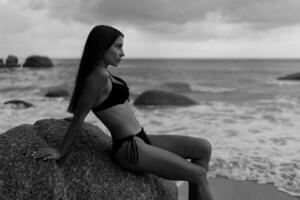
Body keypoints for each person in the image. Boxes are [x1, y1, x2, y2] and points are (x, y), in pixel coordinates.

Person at [31, 25, 214, 200]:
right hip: (129, 148)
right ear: (102, 47)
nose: (123, 53)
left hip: (141, 137)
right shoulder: (98, 77)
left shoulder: (106, 73)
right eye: (118, 47)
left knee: (203, 148)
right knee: (198, 174)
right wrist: (61, 152)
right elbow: (79, 117)